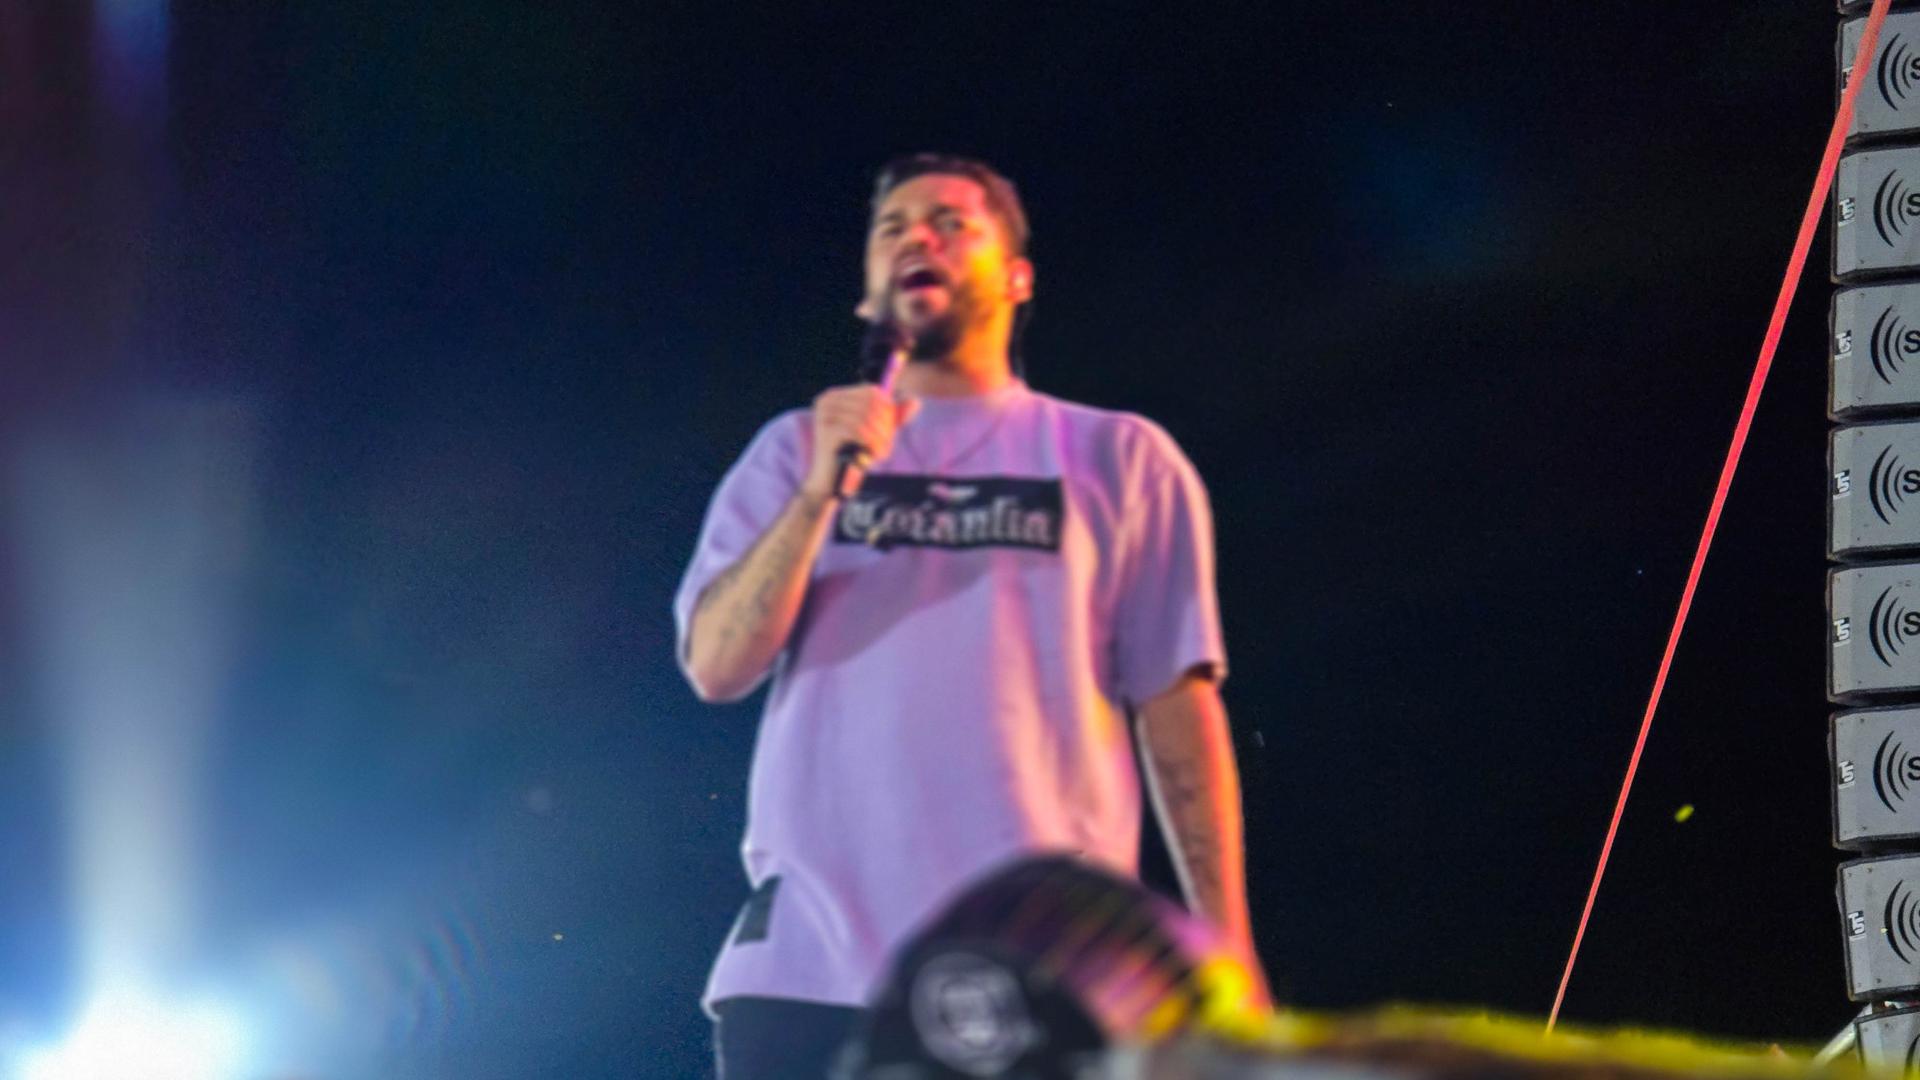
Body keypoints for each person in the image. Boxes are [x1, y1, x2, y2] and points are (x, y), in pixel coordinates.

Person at [673, 153, 1268, 1079]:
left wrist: (1224, 960)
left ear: (1019, 277)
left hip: (1045, 971)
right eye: (892, 227)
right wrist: (821, 492)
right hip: (810, 971)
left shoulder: (1118, 456)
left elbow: (1177, 708)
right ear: (866, 293)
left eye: (951, 222)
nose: (917, 236)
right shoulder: (793, 451)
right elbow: (715, 666)